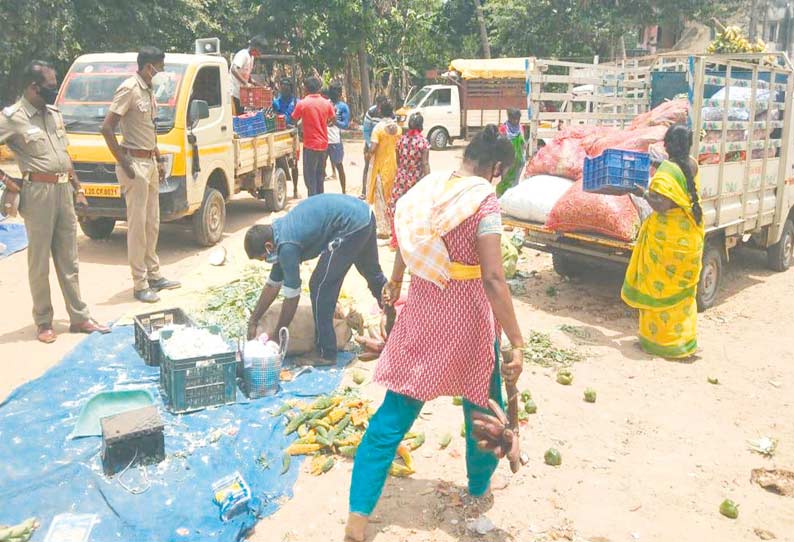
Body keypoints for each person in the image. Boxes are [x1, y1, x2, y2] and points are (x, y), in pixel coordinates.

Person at [345, 125, 525, 541]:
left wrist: (392, 285)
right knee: (482, 405)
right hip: (470, 320)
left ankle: (357, 520)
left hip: (424, 312)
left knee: (391, 417)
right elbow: (494, 278)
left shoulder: (425, 189)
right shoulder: (484, 201)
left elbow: (407, 245)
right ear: (495, 167)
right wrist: (517, 341)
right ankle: (479, 486)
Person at [0, 60, 110, 343]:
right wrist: (7, 180)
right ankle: (44, 321)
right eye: (50, 86)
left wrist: (79, 188)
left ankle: (79, 317)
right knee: (40, 261)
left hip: (63, 191)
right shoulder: (13, 117)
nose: (54, 90)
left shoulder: (54, 114)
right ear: (34, 88)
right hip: (37, 193)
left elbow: (65, 155)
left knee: (69, 258)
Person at [244, 194, 387, 363]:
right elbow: (272, 285)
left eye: (262, 258)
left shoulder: (286, 247)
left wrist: (276, 338)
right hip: (364, 215)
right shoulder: (279, 233)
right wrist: (253, 319)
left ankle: (325, 352)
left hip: (350, 226)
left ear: (268, 247)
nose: (265, 262)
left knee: (320, 286)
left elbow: (292, 297)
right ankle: (393, 321)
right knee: (371, 272)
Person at [101, 47, 181, 303]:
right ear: (149, 67)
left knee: (152, 223)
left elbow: (148, 129)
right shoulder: (129, 89)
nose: (162, 72)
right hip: (134, 163)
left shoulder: (148, 91)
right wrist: (124, 164)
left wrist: (157, 157)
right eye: (160, 67)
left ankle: (154, 275)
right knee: (137, 227)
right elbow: (107, 128)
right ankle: (140, 283)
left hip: (149, 162)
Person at [622, 124, 705, 359]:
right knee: (682, 298)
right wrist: (659, 165)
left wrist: (642, 192)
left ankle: (658, 343)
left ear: (668, 145)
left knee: (656, 289)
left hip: (665, 243)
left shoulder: (667, 171)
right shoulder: (693, 164)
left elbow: (661, 204)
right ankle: (683, 343)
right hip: (689, 239)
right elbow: (681, 181)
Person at [387, 112, 429, 249]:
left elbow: (398, 160)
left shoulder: (401, 140)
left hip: (401, 177)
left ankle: (396, 240)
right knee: (415, 209)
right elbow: (425, 164)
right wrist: (429, 180)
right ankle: (412, 239)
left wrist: (404, 171)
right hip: (416, 180)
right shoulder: (423, 142)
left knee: (397, 206)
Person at [292, 76, 336, 197]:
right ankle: (320, 201)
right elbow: (333, 119)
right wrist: (324, 123)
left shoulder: (303, 103)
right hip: (323, 145)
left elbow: (293, 119)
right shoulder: (326, 103)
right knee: (320, 177)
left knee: (310, 178)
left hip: (310, 145)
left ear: (306, 88)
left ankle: (312, 203)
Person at [365, 101, 400, 238]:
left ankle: (384, 229)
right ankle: (393, 226)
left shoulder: (378, 129)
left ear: (380, 111)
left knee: (380, 199)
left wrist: (367, 155)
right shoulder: (398, 128)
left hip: (381, 168)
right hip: (395, 167)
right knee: (392, 197)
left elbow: (373, 148)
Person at [229, 35, 268, 114]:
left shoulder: (252, 58)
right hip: (233, 94)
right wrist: (246, 83)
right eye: (260, 50)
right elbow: (233, 69)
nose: (260, 53)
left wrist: (256, 84)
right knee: (236, 119)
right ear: (255, 47)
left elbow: (246, 75)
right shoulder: (243, 55)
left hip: (241, 96)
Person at [326, 82, 351, 193]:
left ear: (340, 93)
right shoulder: (325, 104)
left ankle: (344, 191)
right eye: (332, 91)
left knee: (339, 166)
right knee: (319, 168)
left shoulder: (343, 107)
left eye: (336, 92)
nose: (334, 94)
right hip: (323, 140)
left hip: (335, 140)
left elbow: (345, 125)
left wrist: (335, 122)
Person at [361, 96, 387, 199]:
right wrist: (370, 145)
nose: (380, 109)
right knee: (367, 167)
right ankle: (364, 191)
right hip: (371, 143)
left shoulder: (390, 113)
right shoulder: (371, 112)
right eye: (379, 107)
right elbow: (366, 131)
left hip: (384, 146)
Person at [496, 108, 526, 197]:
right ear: (509, 118)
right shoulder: (503, 129)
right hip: (507, 161)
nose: (516, 121)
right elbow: (500, 145)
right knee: (506, 180)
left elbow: (523, 143)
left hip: (519, 162)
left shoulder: (520, 128)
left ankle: (511, 199)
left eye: (518, 119)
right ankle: (502, 198)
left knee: (515, 182)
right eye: (514, 118)